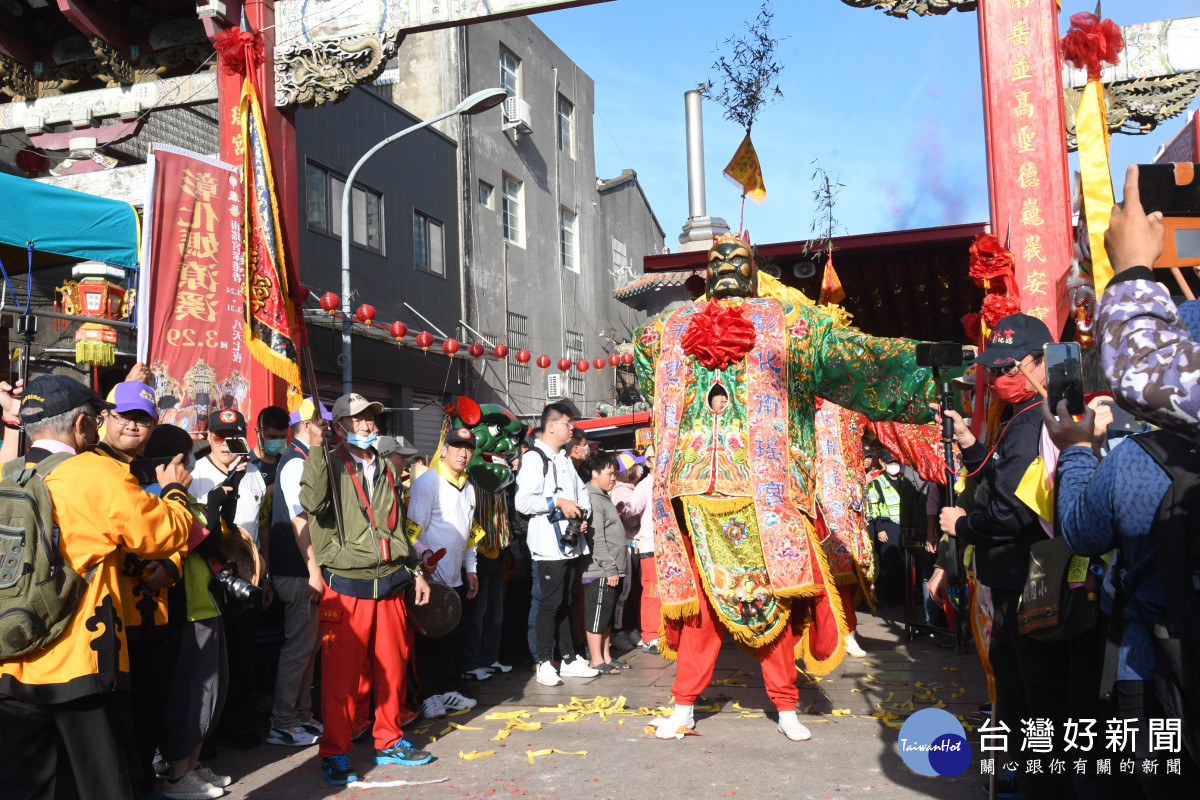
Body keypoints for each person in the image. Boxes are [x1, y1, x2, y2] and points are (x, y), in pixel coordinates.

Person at [634, 231, 938, 742]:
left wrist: (930, 361)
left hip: (765, 490)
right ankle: (684, 704)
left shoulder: (794, 328)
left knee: (774, 600)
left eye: (739, 258)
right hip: (691, 487)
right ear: (705, 270)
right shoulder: (667, 328)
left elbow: (857, 358)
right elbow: (650, 381)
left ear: (756, 269)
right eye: (717, 258)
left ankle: (786, 704)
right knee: (700, 611)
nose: (727, 265)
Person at [0, 375, 193, 800]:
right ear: (84, 425)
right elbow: (163, 534)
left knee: (26, 783)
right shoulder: (94, 472)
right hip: (80, 659)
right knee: (104, 780)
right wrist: (177, 492)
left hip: (13, 656)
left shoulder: (10, 472)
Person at [938, 314, 1104, 800]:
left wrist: (963, 526)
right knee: (1020, 688)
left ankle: (1040, 784)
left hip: (1029, 580)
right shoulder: (1028, 416)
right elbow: (1003, 480)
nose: (1002, 376)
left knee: (1037, 694)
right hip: (1022, 577)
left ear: (1041, 362)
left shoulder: (1039, 418)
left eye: (1013, 365)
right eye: (997, 367)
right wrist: (972, 449)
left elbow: (1010, 510)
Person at [300, 392, 432, 785]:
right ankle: (334, 751)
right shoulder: (328, 461)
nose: (366, 425)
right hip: (346, 585)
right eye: (357, 419)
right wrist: (316, 450)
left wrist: (415, 570)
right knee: (341, 678)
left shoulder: (388, 469)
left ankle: (389, 740)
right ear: (338, 424)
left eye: (370, 418)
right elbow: (309, 502)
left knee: (392, 669)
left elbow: (397, 525)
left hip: (390, 582)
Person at [93, 380, 185, 796]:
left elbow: (184, 536)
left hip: (153, 613)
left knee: (150, 709)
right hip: (105, 619)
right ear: (104, 418)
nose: (133, 426)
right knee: (114, 722)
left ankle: (146, 785)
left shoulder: (155, 469)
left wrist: (171, 564)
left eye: (142, 420)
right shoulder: (88, 466)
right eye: (125, 417)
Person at [141, 424, 232, 800]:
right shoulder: (156, 496)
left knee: (213, 693)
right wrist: (210, 511)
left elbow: (211, 539)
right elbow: (193, 536)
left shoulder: (181, 494)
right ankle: (179, 775)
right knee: (193, 696)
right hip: (184, 610)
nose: (192, 460)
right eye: (188, 453)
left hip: (206, 603)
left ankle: (192, 765)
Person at [189, 408, 268, 750]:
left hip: (247, 578)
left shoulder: (255, 475)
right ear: (208, 437)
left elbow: (260, 526)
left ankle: (239, 722)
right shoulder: (195, 474)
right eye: (219, 436)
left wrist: (267, 573)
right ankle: (205, 733)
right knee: (207, 661)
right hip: (206, 580)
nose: (226, 444)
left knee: (241, 654)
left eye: (234, 436)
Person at [265, 397, 332, 748]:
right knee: (298, 649)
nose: (328, 429)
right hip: (297, 570)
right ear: (307, 425)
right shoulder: (295, 462)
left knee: (309, 649)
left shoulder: (306, 458)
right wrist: (314, 570)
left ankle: (302, 715)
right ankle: (284, 720)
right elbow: (299, 518)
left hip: (304, 569)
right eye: (322, 424)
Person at [515, 402, 598, 686]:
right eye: (567, 423)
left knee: (566, 600)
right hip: (547, 544)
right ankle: (543, 661)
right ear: (551, 425)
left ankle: (568, 658)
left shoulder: (564, 459)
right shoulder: (534, 458)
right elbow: (523, 502)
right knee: (549, 603)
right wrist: (557, 503)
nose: (571, 428)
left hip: (571, 542)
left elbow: (582, 496)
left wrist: (582, 516)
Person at [408, 426, 480, 719]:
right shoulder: (428, 484)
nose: (463, 453)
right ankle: (428, 696)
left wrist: (472, 568)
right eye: (456, 447)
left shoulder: (469, 486)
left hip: (455, 578)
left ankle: (447, 689)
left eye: (468, 449)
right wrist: (423, 557)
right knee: (427, 640)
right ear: (444, 450)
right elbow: (411, 531)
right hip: (430, 579)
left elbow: (470, 533)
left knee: (450, 638)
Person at [582, 451, 628, 673]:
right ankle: (596, 659)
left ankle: (607, 656)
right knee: (597, 615)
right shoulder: (591, 498)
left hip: (613, 570)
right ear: (594, 473)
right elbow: (596, 538)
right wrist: (610, 567)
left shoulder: (604, 497)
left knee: (607, 616)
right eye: (610, 473)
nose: (614, 478)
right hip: (600, 570)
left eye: (615, 474)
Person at [610, 451, 647, 651]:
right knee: (626, 591)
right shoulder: (622, 491)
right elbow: (631, 520)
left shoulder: (633, 488)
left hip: (637, 544)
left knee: (635, 590)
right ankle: (619, 630)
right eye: (637, 466)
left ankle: (632, 628)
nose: (641, 469)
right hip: (627, 545)